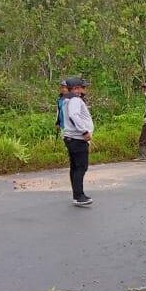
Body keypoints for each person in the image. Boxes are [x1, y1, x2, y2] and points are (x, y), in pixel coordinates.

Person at [61, 77, 94, 206]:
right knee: (81, 167)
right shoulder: (74, 99)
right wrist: (84, 131)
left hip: (71, 137)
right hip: (77, 138)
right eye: (82, 87)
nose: (84, 89)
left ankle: (77, 194)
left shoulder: (66, 100)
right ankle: (79, 196)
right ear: (75, 88)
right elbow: (74, 115)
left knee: (75, 168)